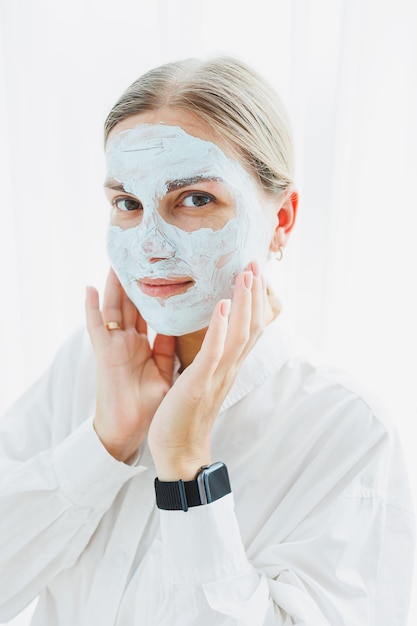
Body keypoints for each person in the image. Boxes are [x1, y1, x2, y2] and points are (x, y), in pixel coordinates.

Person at [0, 56, 414, 626]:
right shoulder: (86, 366)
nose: (149, 244)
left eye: (194, 199)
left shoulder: (351, 434)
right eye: (127, 203)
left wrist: (188, 472)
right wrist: (102, 446)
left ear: (284, 219)